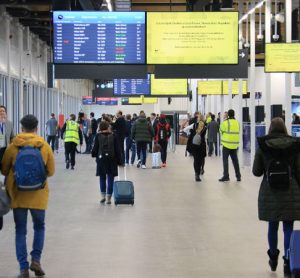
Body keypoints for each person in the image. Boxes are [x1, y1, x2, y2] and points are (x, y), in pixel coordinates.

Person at [1, 114, 55, 278]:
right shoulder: (44, 146)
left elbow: (4, 169)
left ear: (21, 128)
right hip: (39, 194)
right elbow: (51, 171)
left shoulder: (13, 146)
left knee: (20, 231)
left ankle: (23, 268)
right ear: (37, 128)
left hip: (18, 195)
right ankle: (36, 260)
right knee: (39, 227)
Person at [252, 117, 300, 276]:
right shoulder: (294, 144)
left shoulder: (263, 145)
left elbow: (256, 171)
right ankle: (288, 262)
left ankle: (273, 258)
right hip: (290, 192)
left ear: (270, 128)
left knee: (272, 227)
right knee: (288, 229)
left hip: (270, 191)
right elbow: (299, 172)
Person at [92, 121, 123, 205]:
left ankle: (103, 196)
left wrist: (95, 156)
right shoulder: (114, 136)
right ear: (108, 127)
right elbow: (118, 149)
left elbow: (94, 149)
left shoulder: (98, 136)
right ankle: (109, 198)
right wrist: (120, 161)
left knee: (102, 177)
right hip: (112, 159)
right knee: (110, 178)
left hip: (101, 159)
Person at [0, 105, 14, 231]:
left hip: (6, 150)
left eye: (3, 111)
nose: (2, 113)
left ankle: (6, 190)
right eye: (0, 111)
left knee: (7, 172)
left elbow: (12, 137)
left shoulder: (9, 124)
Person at [219, 109, 241, 182]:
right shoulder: (237, 122)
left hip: (226, 144)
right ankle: (238, 176)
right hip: (234, 145)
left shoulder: (225, 122)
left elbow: (220, 130)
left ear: (228, 115)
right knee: (235, 161)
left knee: (225, 160)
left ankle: (226, 176)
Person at [187, 117, 207, 182]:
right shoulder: (205, 127)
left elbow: (185, 129)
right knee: (201, 159)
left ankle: (196, 174)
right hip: (201, 145)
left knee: (196, 160)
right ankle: (201, 169)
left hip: (194, 145)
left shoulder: (193, 125)